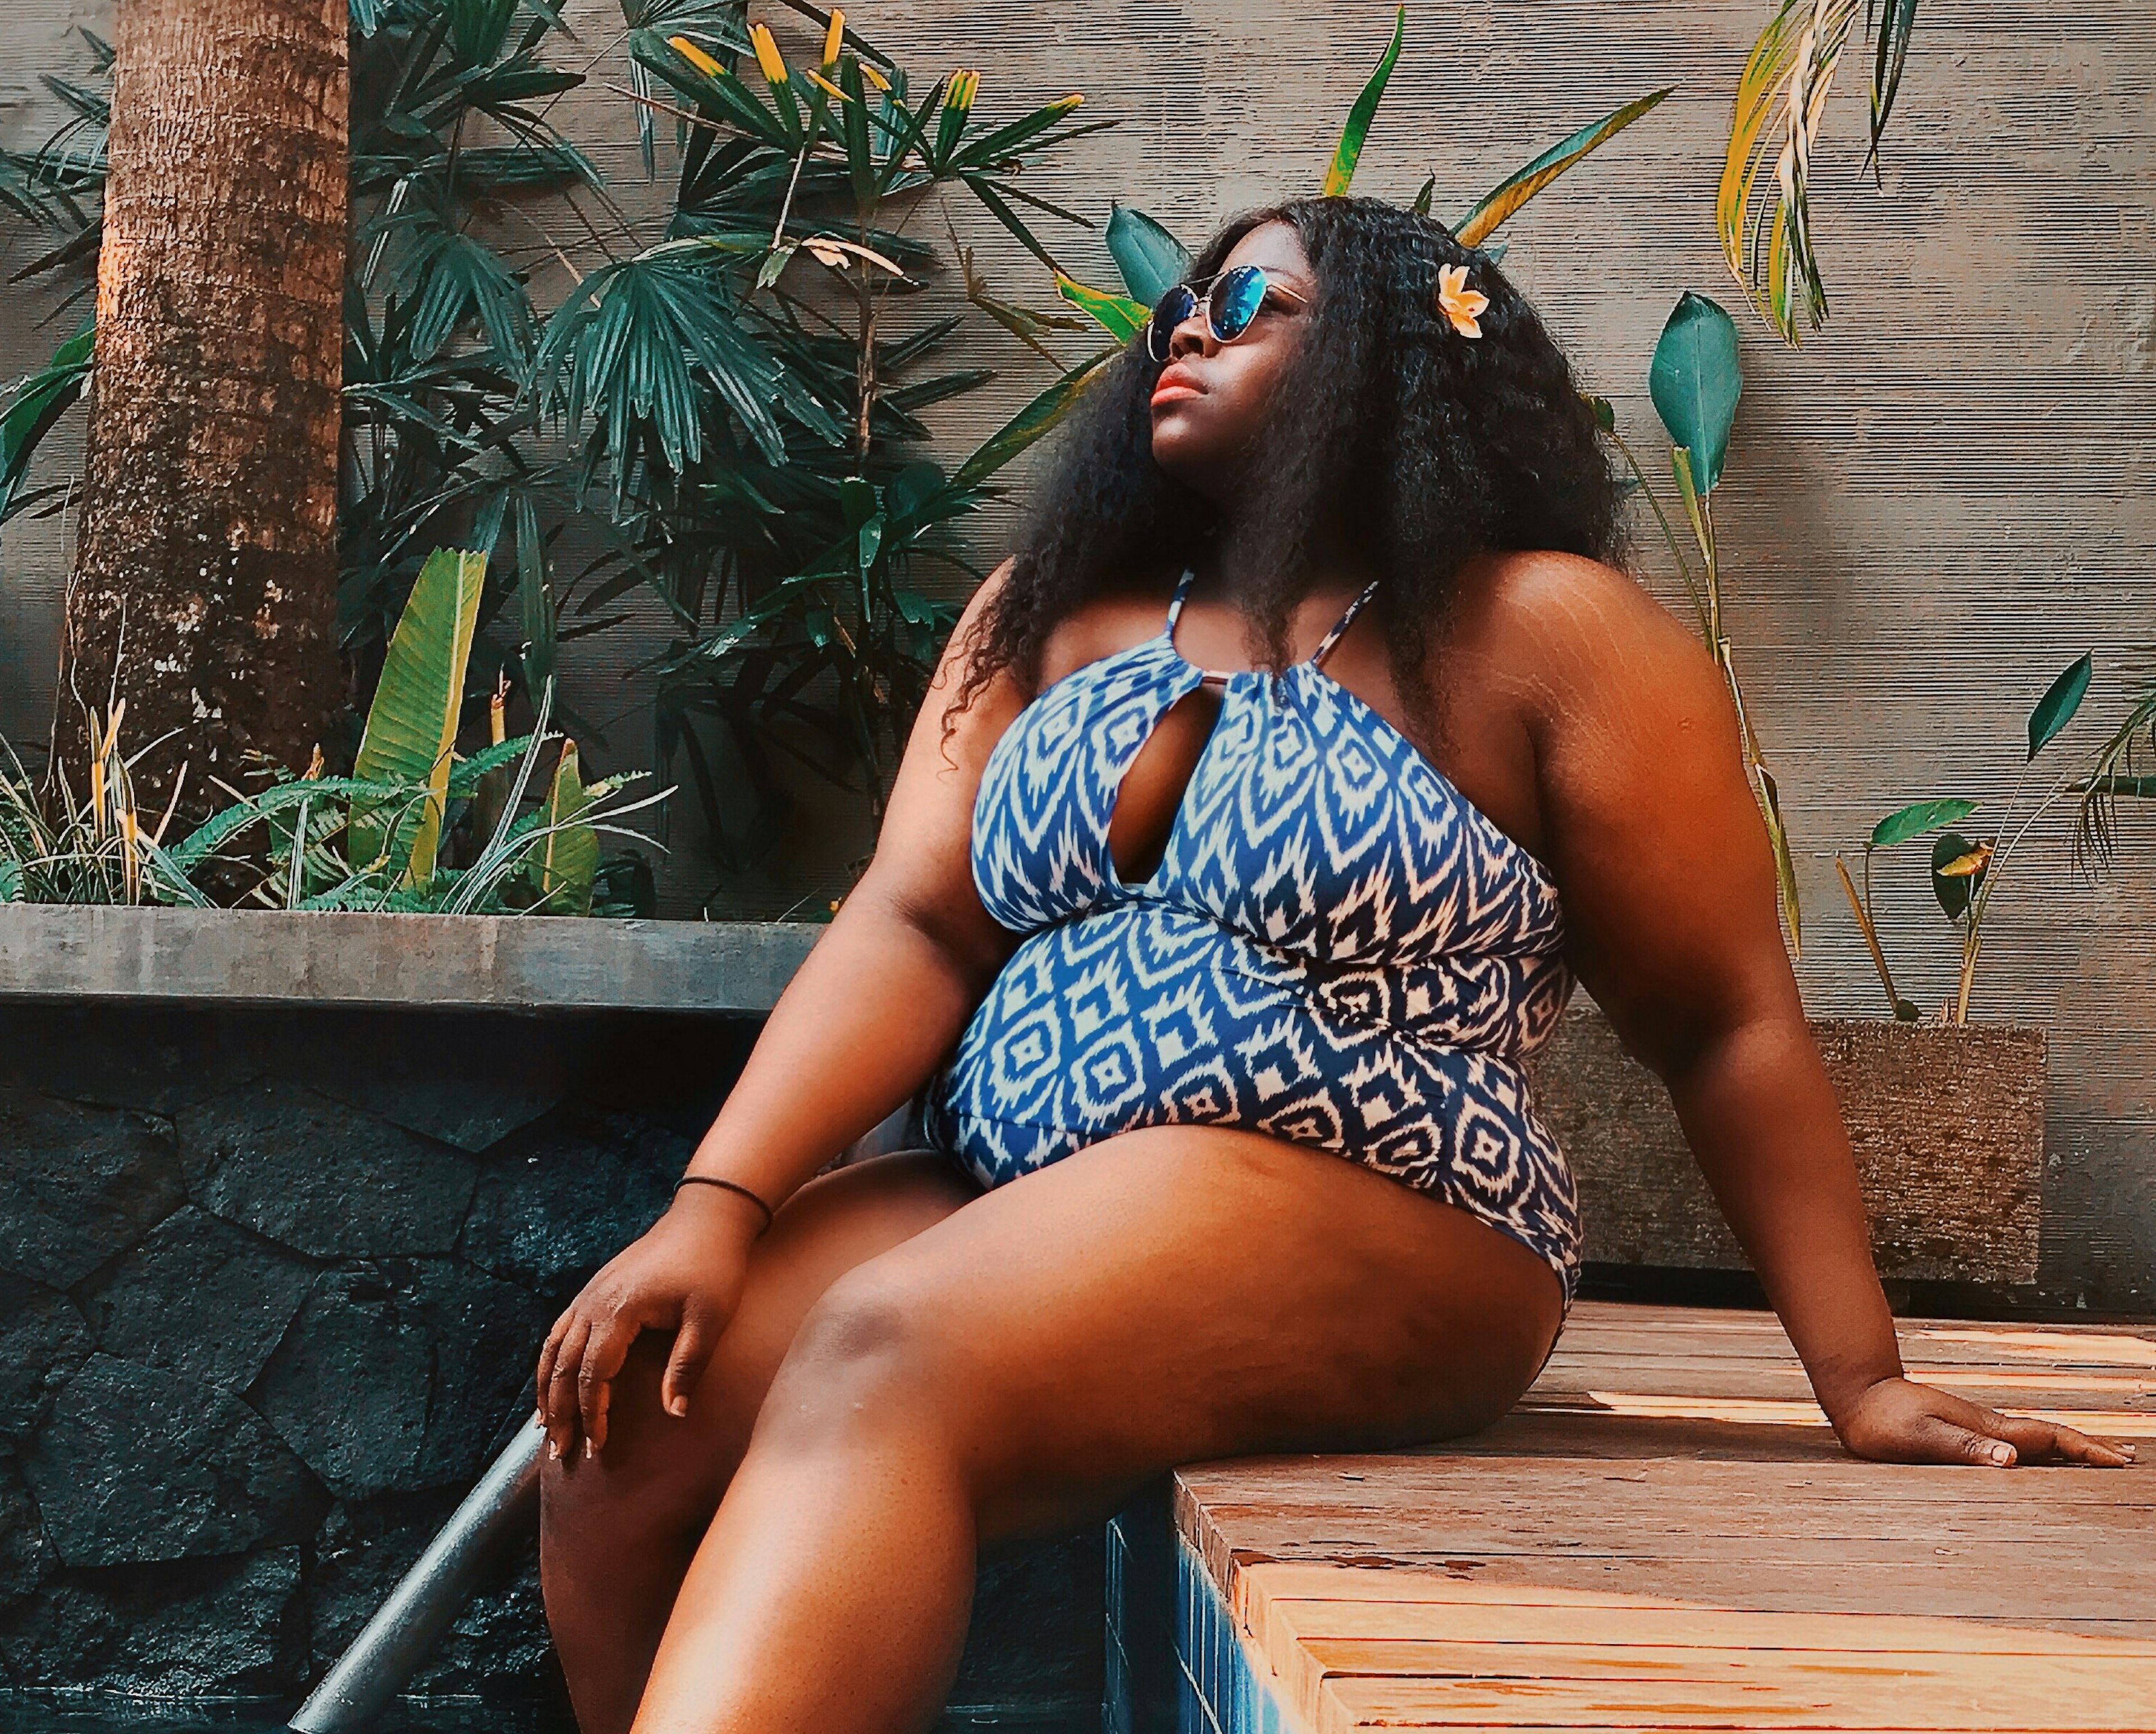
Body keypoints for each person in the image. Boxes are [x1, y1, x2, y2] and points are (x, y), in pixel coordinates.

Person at [533, 196, 2132, 1734]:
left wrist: (1860, 1378)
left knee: (891, 1351)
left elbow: (1720, 1023)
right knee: (626, 1428)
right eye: (1181, 307)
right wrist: (716, 1207)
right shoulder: (1048, 617)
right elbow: (912, 927)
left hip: (1394, 1211)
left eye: (1251, 306)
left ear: (1393, 361)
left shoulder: (1539, 633)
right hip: (1005, 1190)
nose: (1187, 331)